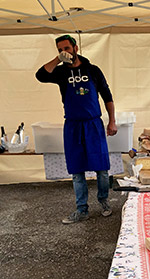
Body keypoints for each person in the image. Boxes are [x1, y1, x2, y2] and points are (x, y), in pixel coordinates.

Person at [36, 35, 117, 223]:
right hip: (73, 125)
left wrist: (112, 121)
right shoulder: (60, 73)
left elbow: (107, 96)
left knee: (102, 168)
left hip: (93, 124)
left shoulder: (93, 70)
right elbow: (40, 76)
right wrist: (58, 60)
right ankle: (82, 209)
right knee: (76, 169)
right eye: (60, 50)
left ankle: (104, 200)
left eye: (67, 48)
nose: (65, 52)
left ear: (75, 48)